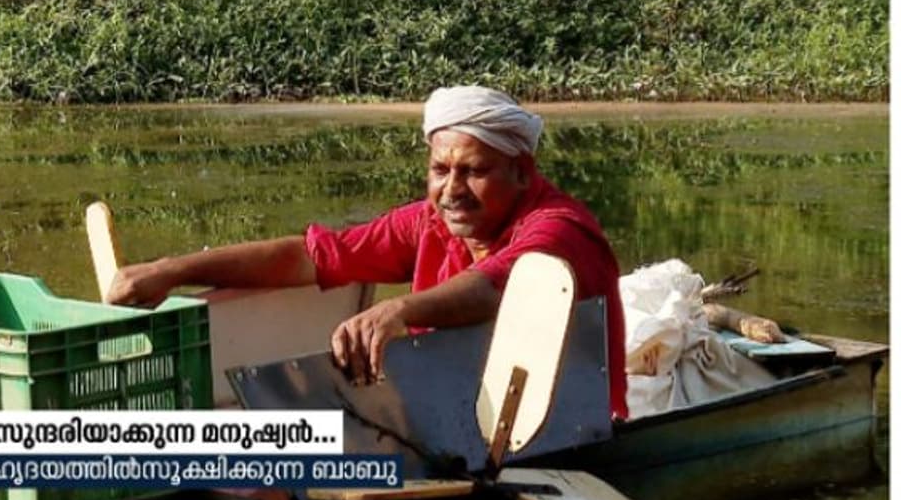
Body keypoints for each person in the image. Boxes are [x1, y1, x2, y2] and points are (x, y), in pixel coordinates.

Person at [107, 85, 629, 419]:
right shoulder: (429, 222)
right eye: (440, 170)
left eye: (474, 171)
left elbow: (500, 288)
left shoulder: (560, 230)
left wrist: (399, 308)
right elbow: (310, 257)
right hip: (454, 415)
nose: (452, 190)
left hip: (561, 427)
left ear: (522, 173)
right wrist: (169, 270)